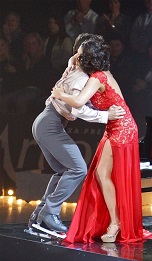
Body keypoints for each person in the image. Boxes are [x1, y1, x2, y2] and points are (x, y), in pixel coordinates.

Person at [52, 37, 152, 243]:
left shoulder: (98, 77)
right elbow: (74, 72)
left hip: (122, 127)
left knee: (101, 173)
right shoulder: (99, 74)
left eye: (80, 54)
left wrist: (60, 94)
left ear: (88, 58)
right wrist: (71, 63)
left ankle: (116, 223)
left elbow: (79, 102)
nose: (76, 57)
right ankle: (115, 221)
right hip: (115, 126)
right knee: (102, 174)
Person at [28, 33, 126, 235]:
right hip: (50, 123)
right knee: (79, 169)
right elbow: (77, 109)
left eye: (79, 54)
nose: (76, 56)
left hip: (46, 122)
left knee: (64, 169)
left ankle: (39, 216)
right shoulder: (81, 77)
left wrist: (71, 62)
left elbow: (70, 67)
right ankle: (49, 213)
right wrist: (105, 116)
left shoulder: (75, 68)